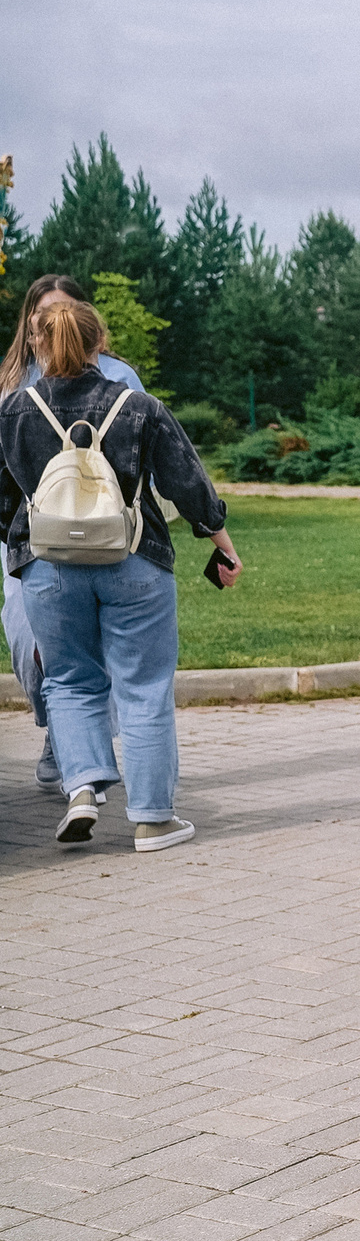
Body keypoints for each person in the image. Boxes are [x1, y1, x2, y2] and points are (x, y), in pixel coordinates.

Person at [1, 294, 237, 851]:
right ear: (99, 344)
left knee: (69, 681)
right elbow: (188, 484)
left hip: (48, 568)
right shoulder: (137, 405)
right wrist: (221, 544)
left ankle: (81, 788)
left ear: (38, 343)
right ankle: (154, 819)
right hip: (133, 561)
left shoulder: (10, 412)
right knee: (144, 686)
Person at [3, 276, 150, 798]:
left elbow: (146, 456)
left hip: (104, 533)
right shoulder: (13, 381)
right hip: (27, 540)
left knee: (97, 649)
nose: (54, 324)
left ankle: (80, 760)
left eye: (65, 312)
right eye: (45, 316)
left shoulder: (118, 376)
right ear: (30, 326)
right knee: (28, 642)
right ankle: (61, 734)